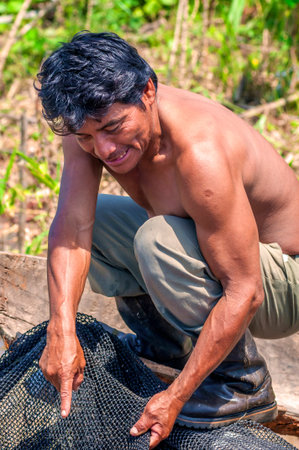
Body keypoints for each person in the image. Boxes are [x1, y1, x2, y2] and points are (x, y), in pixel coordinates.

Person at [36, 31, 299, 448]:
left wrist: (176, 396)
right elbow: (72, 226)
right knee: (98, 219)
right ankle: (167, 348)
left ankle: (243, 384)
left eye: (113, 127)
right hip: (223, 266)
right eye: (87, 137)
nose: (103, 149)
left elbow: (245, 291)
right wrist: (61, 329)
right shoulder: (87, 126)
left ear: (148, 92)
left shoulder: (200, 152)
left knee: (157, 240)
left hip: (281, 284)